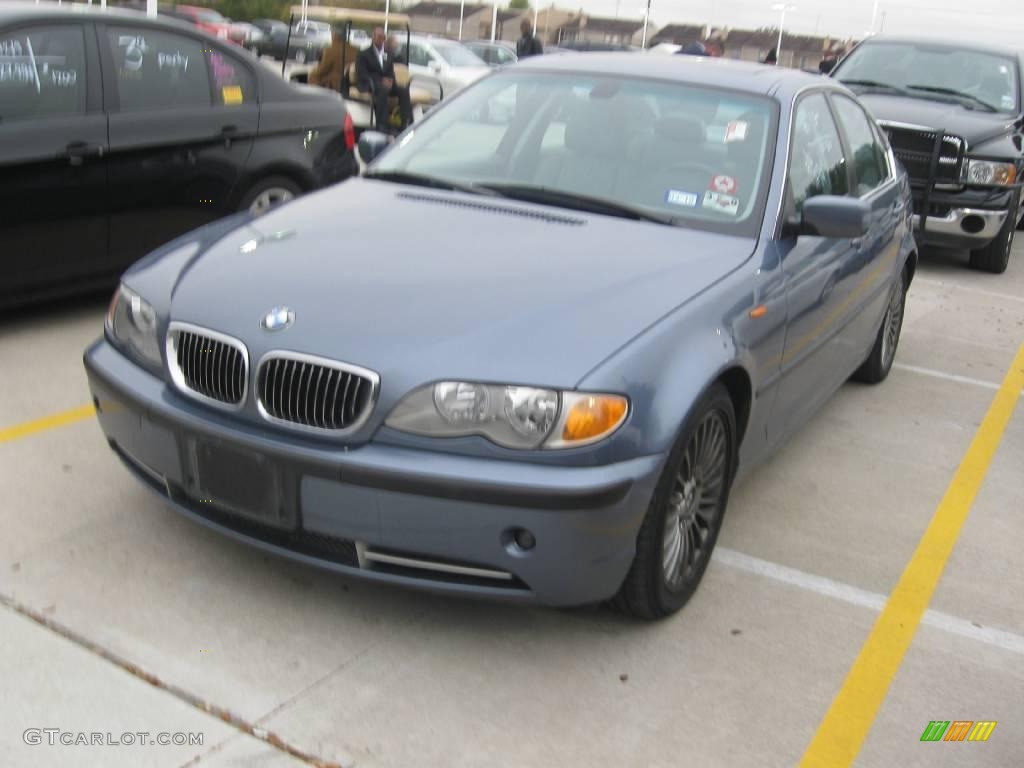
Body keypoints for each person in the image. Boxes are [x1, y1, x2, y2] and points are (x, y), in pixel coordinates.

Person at [356, 26, 412, 132]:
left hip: (386, 83)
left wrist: (390, 80)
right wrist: (381, 80)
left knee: (403, 90)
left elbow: (390, 71)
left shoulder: (388, 54)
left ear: (384, 39)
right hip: (370, 83)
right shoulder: (364, 54)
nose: (379, 39)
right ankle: (382, 124)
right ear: (373, 37)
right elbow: (362, 74)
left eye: (382, 37)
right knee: (383, 89)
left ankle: (405, 122)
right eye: (377, 37)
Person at [308, 26, 345, 91]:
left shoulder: (331, 49)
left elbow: (323, 69)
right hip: (345, 80)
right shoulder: (355, 49)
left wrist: (313, 72)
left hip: (335, 83)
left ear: (334, 34)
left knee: (312, 76)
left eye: (331, 33)